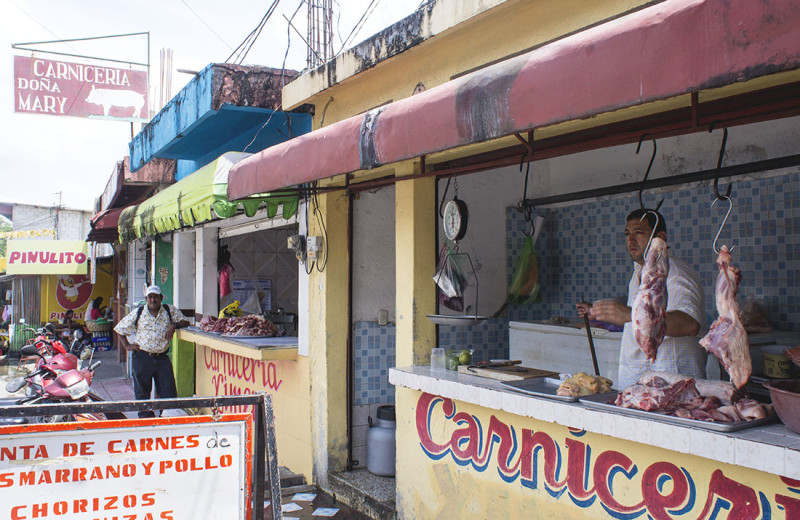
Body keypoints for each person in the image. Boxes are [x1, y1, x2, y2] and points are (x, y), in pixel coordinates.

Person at [576, 209, 706, 389]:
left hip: (673, 385)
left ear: (660, 237)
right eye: (627, 234)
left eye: (639, 232)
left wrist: (630, 314)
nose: (631, 240)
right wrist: (599, 311)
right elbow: (640, 320)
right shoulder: (640, 272)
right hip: (638, 385)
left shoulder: (676, 272)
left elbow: (690, 324)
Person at [114, 285, 189, 418]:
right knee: (142, 393)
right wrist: (126, 345)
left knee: (168, 392)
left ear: (161, 298)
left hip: (162, 358)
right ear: (146, 299)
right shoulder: (139, 312)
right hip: (142, 357)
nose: (153, 300)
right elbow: (120, 328)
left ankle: (167, 419)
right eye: (150, 297)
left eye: (155, 297)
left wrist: (174, 325)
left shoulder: (168, 310)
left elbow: (185, 321)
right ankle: (146, 421)